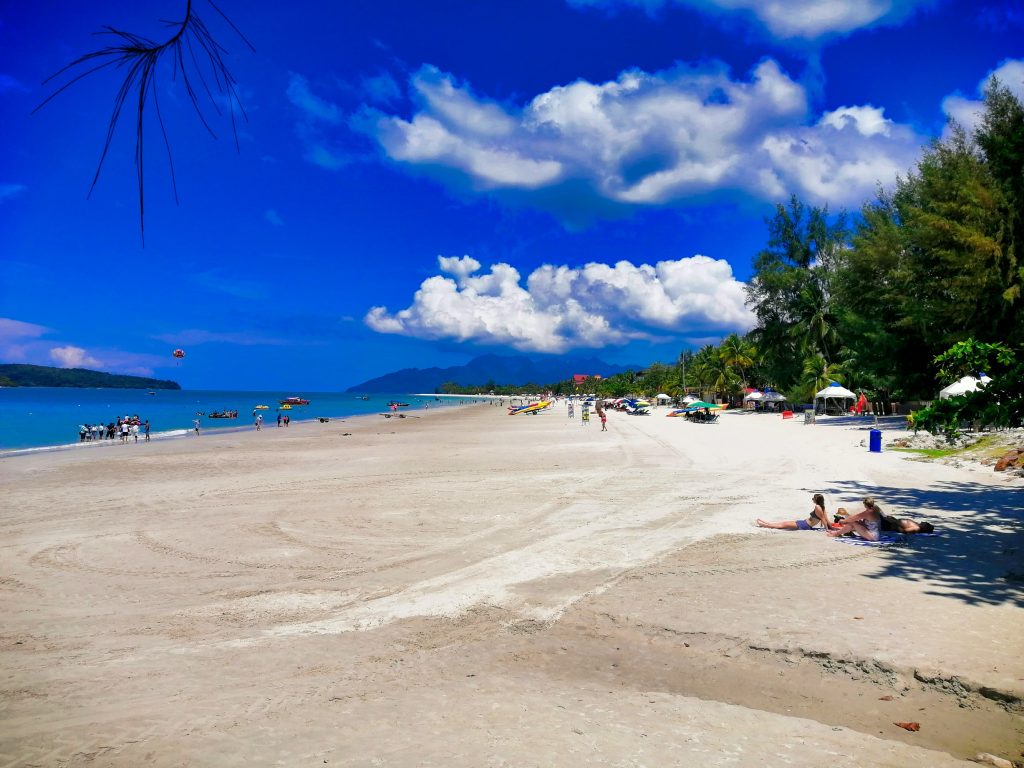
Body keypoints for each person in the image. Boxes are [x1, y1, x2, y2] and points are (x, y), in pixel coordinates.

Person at [756, 493, 832, 531]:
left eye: (813, 498)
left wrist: (827, 530)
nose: (812, 499)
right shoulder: (822, 508)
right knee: (784, 523)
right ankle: (767, 523)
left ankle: (765, 525)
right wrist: (831, 527)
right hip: (804, 523)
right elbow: (826, 520)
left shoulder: (818, 507)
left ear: (817, 500)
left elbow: (823, 519)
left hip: (805, 525)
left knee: (783, 525)